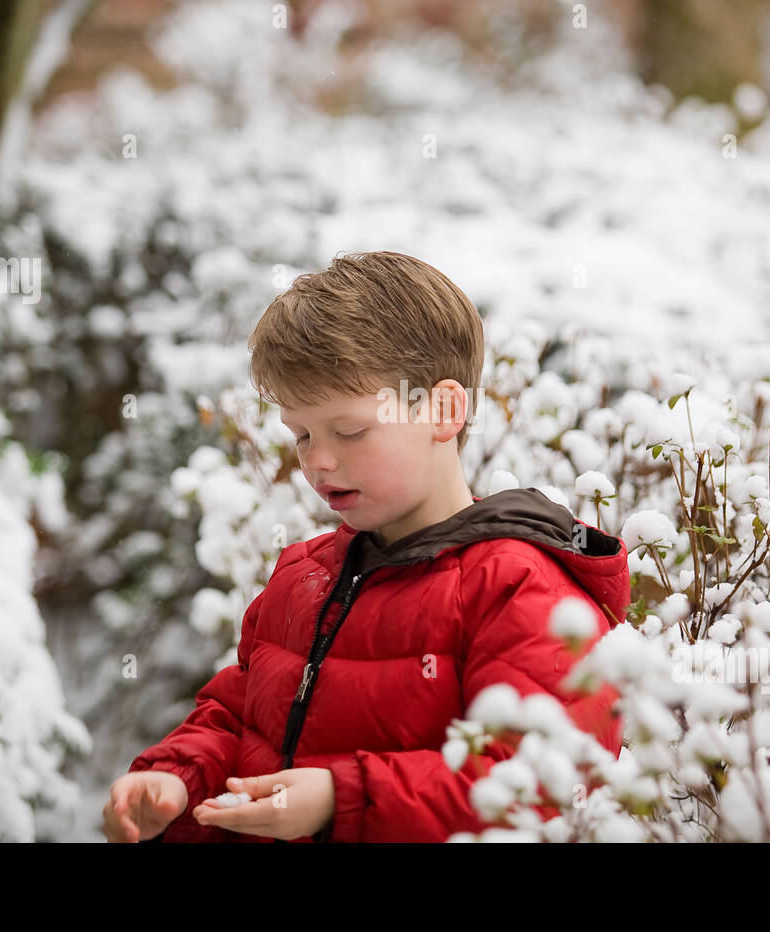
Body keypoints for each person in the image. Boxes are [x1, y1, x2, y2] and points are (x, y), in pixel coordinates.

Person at [102, 251, 628, 843]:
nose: (318, 460)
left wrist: (342, 798)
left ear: (444, 410)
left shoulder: (518, 591)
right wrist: (178, 779)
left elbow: (542, 784)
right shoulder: (305, 577)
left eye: (349, 431)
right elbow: (239, 717)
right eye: (301, 434)